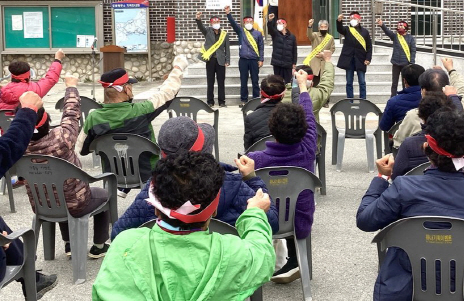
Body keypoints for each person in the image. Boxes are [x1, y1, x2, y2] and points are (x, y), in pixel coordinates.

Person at [357, 108, 464, 301]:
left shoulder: (404, 187)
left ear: (427, 145)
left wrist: (383, 177)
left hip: (405, 290)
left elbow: (364, 220)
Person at [92, 152, 276, 300]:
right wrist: (254, 214)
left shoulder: (124, 246)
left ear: (156, 209)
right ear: (213, 211)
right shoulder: (233, 254)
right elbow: (263, 254)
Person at [111, 116, 278, 240]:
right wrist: (251, 178)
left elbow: (118, 233)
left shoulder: (154, 189)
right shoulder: (232, 184)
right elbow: (272, 222)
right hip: (229, 275)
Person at [21, 76, 111, 258]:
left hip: (40, 205)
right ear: (46, 122)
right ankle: (99, 245)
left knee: (55, 192)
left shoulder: (18, 147)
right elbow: (71, 113)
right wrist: (71, 87)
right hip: (75, 203)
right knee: (103, 195)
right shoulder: (62, 137)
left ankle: (70, 244)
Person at [77, 56, 187, 197]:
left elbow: (82, 149)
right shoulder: (141, 110)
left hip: (112, 175)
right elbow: (167, 93)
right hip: (147, 174)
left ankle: (122, 188)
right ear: (126, 89)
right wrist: (178, 67)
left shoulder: (93, 117)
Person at [246, 69, 317, 284]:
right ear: (304, 130)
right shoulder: (308, 148)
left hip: (266, 220)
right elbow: (309, 115)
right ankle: (295, 260)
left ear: (272, 130)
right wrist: (302, 86)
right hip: (300, 219)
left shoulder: (255, 159)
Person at [0, 91, 57, 299]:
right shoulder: (62, 139)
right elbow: (7, 148)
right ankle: (31, 276)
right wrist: (27, 112)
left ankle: (31, 277)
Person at [393, 57, 464, 148]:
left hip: (421, 160)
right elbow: (462, 89)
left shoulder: (414, 115)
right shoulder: (461, 108)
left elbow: (398, 143)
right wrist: (450, 69)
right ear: (447, 88)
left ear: (423, 91)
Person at [377, 92, 455, 180]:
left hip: (413, 190)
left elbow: (395, 176)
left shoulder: (409, 145)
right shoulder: (459, 143)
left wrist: (383, 176)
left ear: (421, 117)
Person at [225, 5, 264, 108]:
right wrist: (228, 14)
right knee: (243, 80)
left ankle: (256, 99)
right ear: (244, 23)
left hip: (254, 60)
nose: (249, 24)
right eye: (247, 22)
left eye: (250, 22)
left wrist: (261, 59)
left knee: (255, 80)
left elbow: (261, 47)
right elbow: (233, 24)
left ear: (253, 23)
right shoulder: (241, 31)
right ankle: (244, 100)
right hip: (243, 60)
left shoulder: (258, 34)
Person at [0, 49, 65, 110]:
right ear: (28, 75)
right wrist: (57, 59)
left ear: (12, 75)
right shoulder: (35, 89)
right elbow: (51, 78)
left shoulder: (2, 91)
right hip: (29, 121)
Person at [288, 49, 335, 122]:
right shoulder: (317, 95)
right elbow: (328, 81)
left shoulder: (283, 94)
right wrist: (327, 60)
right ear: (312, 83)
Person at [196, 12, 230, 108]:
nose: (216, 23)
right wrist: (198, 19)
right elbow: (200, 27)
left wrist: (227, 60)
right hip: (210, 60)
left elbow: (227, 48)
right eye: (214, 22)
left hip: (221, 60)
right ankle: (210, 101)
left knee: (221, 81)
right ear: (211, 23)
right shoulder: (207, 31)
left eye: (218, 21)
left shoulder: (224, 34)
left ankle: (222, 101)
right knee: (210, 81)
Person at [243, 74, 286, 150]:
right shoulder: (293, 115)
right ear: (283, 95)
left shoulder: (250, 118)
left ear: (261, 93)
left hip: (260, 159)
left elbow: (248, 148)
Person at [379, 63, 425, 132]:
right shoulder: (434, 99)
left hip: (401, 140)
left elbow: (384, 127)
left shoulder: (393, 102)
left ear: (404, 81)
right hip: (427, 141)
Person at [377, 18, 417, 97]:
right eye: (399, 27)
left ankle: (405, 97)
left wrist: (411, 62)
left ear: (406, 28)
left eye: (401, 27)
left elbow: (413, 50)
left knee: (405, 82)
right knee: (394, 83)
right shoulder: (395, 36)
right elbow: (388, 32)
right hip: (395, 63)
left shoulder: (410, 38)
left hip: (406, 63)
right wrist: (382, 25)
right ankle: (393, 97)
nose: (400, 29)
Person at [336, 12, 372, 99]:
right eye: (351, 19)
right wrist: (339, 21)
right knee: (349, 82)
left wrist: (368, 58)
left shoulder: (365, 32)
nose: (353, 21)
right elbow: (340, 29)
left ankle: (363, 100)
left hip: (361, 59)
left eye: (355, 19)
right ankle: (349, 100)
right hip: (349, 59)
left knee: (362, 82)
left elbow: (369, 46)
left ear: (359, 20)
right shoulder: (347, 29)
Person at [267, 14, 297, 84]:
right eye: (277, 23)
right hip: (277, 63)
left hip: (288, 64)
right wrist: (270, 20)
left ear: (285, 25)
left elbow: (294, 51)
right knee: (277, 82)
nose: (278, 25)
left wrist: (294, 63)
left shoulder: (292, 37)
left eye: (280, 23)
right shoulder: (275, 34)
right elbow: (270, 28)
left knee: (287, 83)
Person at [305, 18, 335, 87]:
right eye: (322, 27)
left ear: (327, 28)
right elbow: (309, 35)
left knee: (324, 84)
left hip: (324, 64)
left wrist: (324, 54)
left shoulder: (330, 38)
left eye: (325, 27)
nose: (323, 28)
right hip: (315, 64)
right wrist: (309, 26)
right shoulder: (315, 35)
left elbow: (332, 49)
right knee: (313, 84)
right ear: (319, 28)